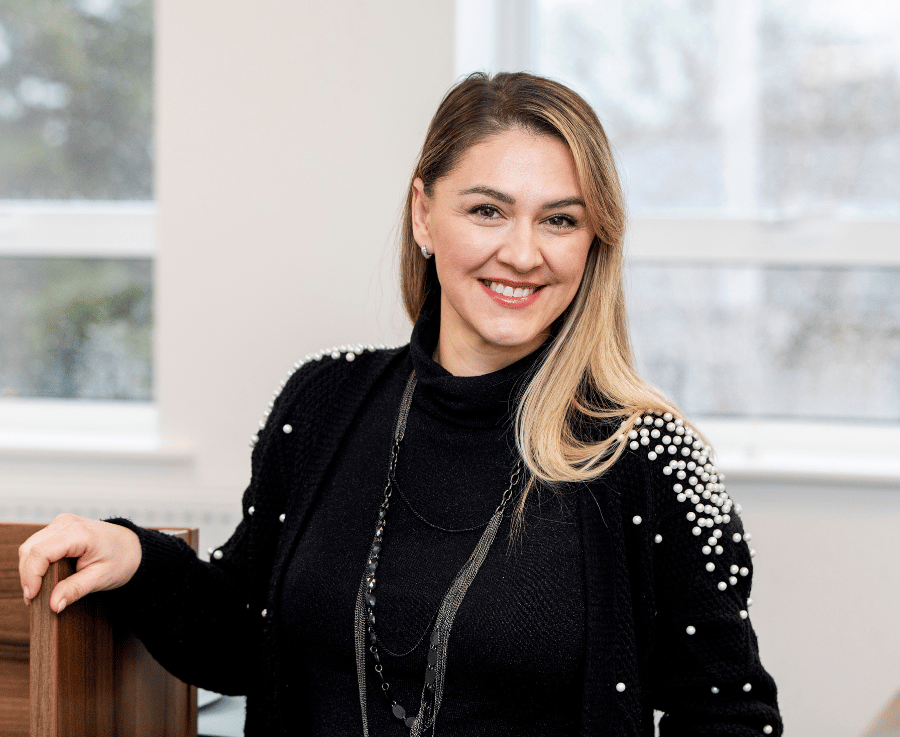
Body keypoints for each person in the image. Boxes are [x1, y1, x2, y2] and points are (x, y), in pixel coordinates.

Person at [19, 72, 782, 736]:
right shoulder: (322, 402)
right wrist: (138, 558)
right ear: (424, 214)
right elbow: (245, 635)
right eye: (487, 211)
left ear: (593, 241)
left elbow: (727, 715)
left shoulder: (650, 456)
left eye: (560, 219)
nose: (523, 253)